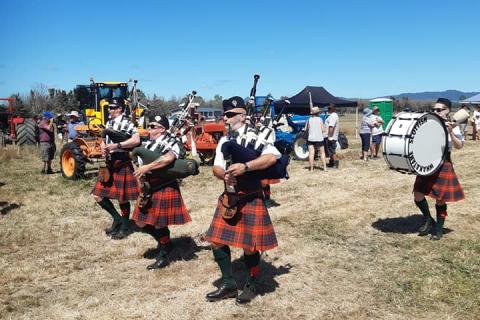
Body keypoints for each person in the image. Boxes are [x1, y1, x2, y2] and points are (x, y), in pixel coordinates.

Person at [204, 96, 280, 304]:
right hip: (229, 197)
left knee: (250, 246)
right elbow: (216, 166)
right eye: (224, 114)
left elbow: (272, 157)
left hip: (251, 196)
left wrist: (246, 167)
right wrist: (224, 175)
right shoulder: (224, 140)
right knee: (216, 240)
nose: (225, 118)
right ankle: (228, 284)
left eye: (229, 115)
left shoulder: (261, 135)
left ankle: (251, 284)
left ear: (243, 115)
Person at [131, 113, 191, 270]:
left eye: (152, 127)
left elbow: (168, 158)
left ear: (162, 129)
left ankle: (164, 255)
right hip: (148, 187)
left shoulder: (172, 142)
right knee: (140, 221)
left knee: (158, 223)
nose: (149, 129)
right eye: (149, 126)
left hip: (164, 185)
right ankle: (166, 242)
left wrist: (147, 167)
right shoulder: (148, 144)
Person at [414, 98, 465, 240]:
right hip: (427, 162)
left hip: (443, 163)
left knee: (440, 199)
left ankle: (438, 229)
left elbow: (459, 146)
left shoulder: (453, 126)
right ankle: (428, 219)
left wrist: (451, 133)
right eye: (434, 109)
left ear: (447, 110)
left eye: (439, 109)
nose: (436, 112)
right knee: (418, 194)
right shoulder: (429, 123)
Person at [91, 99, 140, 240]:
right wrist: (103, 146)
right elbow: (105, 140)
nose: (109, 110)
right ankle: (117, 219)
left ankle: (125, 227)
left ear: (120, 109)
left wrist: (117, 146)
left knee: (122, 198)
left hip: (122, 162)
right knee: (97, 195)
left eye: (112, 108)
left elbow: (136, 140)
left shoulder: (127, 123)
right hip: (109, 163)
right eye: (109, 108)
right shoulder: (109, 123)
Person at [305, 106, 327, 171]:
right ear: (318, 113)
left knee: (311, 154)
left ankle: (311, 169)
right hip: (319, 138)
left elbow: (306, 129)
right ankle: (325, 168)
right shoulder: (320, 119)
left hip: (311, 139)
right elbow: (323, 129)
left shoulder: (309, 120)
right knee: (322, 153)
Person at [325, 104, 340, 168]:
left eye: (329, 108)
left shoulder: (333, 116)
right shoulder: (332, 116)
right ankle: (331, 163)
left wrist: (330, 136)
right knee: (330, 149)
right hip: (331, 136)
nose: (328, 109)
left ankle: (335, 163)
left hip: (332, 136)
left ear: (332, 109)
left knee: (331, 150)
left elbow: (331, 127)